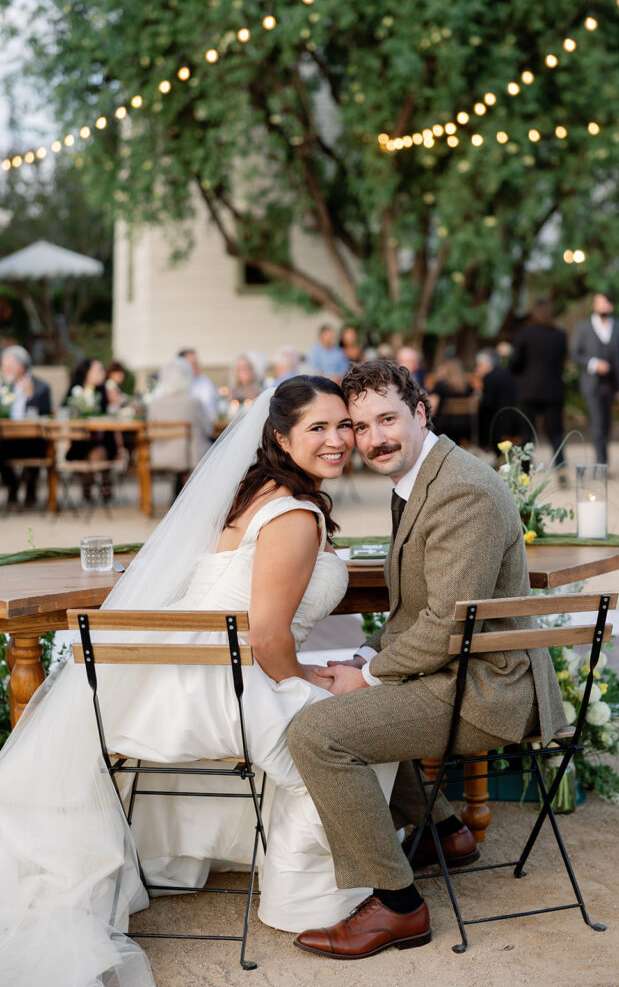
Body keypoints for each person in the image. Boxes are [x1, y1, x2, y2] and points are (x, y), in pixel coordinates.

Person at [0, 376, 391, 987]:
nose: (338, 439)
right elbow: (267, 636)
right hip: (221, 689)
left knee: (342, 703)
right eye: (318, 427)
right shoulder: (295, 515)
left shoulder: (251, 494)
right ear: (281, 437)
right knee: (363, 730)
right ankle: (305, 896)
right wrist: (307, 679)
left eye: (345, 426)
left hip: (166, 682)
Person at [286, 360, 566, 960]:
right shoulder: (418, 479)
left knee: (316, 732)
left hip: (490, 688)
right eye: (360, 427)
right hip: (453, 671)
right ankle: (444, 832)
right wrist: (364, 657)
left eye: (387, 419)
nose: (374, 439)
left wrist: (365, 676)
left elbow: (443, 624)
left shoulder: (460, 488)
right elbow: (417, 612)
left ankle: (398, 906)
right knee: (324, 697)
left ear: (420, 412)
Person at [571, 293, 619, 466]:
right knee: (597, 420)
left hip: (611, 383)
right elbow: (575, 354)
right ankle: (601, 462)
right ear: (594, 306)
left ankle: (603, 458)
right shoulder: (583, 327)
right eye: (600, 303)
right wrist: (593, 364)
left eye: (606, 303)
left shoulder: (618, 326)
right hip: (591, 383)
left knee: (606, 422)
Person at [509, 301, 567, 468]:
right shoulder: (560, 335)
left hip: (529, 390)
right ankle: (561, 466)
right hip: (554, 390)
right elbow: (561, 362)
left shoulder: (525, 334)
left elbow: (515, 362)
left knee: (526, 432)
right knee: (555, 433)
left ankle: (525, 470)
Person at [147, 356, 213, 496]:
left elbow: (150, 430)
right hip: (190, 455)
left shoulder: (154, 403)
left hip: (162, 454)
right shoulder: (193, 402)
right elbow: (208, 429)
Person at [0, 345, 52, 507]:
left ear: (20, 368)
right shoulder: (2, 387)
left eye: (6, 367)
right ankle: (12, 484)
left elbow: (46, 414)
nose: (3, 370)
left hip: (32, 441)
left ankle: (30, 487)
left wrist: (30, 398)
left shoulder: (41, 387)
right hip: (7, 440)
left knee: (38, 442)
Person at [63, 357, 119, 501]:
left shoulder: (103, 391)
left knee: (99, 450)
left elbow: (110, 417)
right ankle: (97, 483)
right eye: (99, 370)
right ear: (87, 373)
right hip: (79, 442)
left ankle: (96, 484)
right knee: (92, 449)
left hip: (103, 442)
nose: (103, 373)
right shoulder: (75, 392)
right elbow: (65, 413)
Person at [474, 347, 519, 454]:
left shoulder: (490, 377)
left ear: (486, 365)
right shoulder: (506, 373)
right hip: (513, 418)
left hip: (498, 423)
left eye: (479, 365)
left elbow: (488, 403)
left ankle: (485, 447)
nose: (477, 369)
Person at [428, 356, 475, 445]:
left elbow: (432, 406)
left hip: (445, 427)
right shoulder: (468, 387)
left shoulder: (441, 385)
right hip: (465, 426)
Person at [178, 347, 218, 422]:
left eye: (196, 363)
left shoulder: (206, 382)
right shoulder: (172, 384)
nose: (196, 366)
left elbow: (211, 410)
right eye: (192, 364)